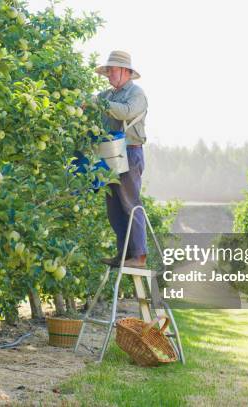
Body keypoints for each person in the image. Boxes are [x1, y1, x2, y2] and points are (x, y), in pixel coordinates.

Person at [93, 50, 148, 268]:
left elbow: (126, 112)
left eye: (112, 70)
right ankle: (124, 253)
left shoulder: (136, 94)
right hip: (110, 154)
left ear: (125, 71)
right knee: (114, 207)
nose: (108, 75)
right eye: (107, 71)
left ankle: (140, 256)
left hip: (130, 152)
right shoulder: (106, 95)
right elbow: (95, 110)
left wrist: (97, 103)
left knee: (130, 203)